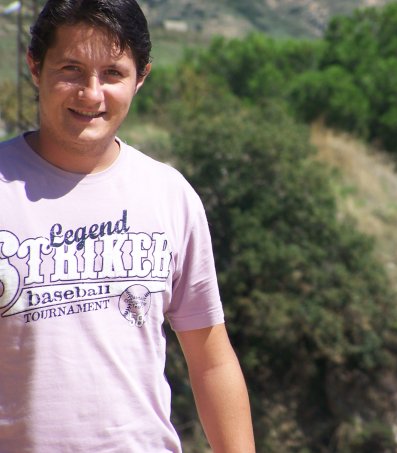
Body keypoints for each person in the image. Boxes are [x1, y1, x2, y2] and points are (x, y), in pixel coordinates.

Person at [0, 0, 255, 451]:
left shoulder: (169, 194)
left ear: (141, 77)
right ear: (35, 67)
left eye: (112, 74)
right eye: (72, 70)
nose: (91, 94)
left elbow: (211, 360)